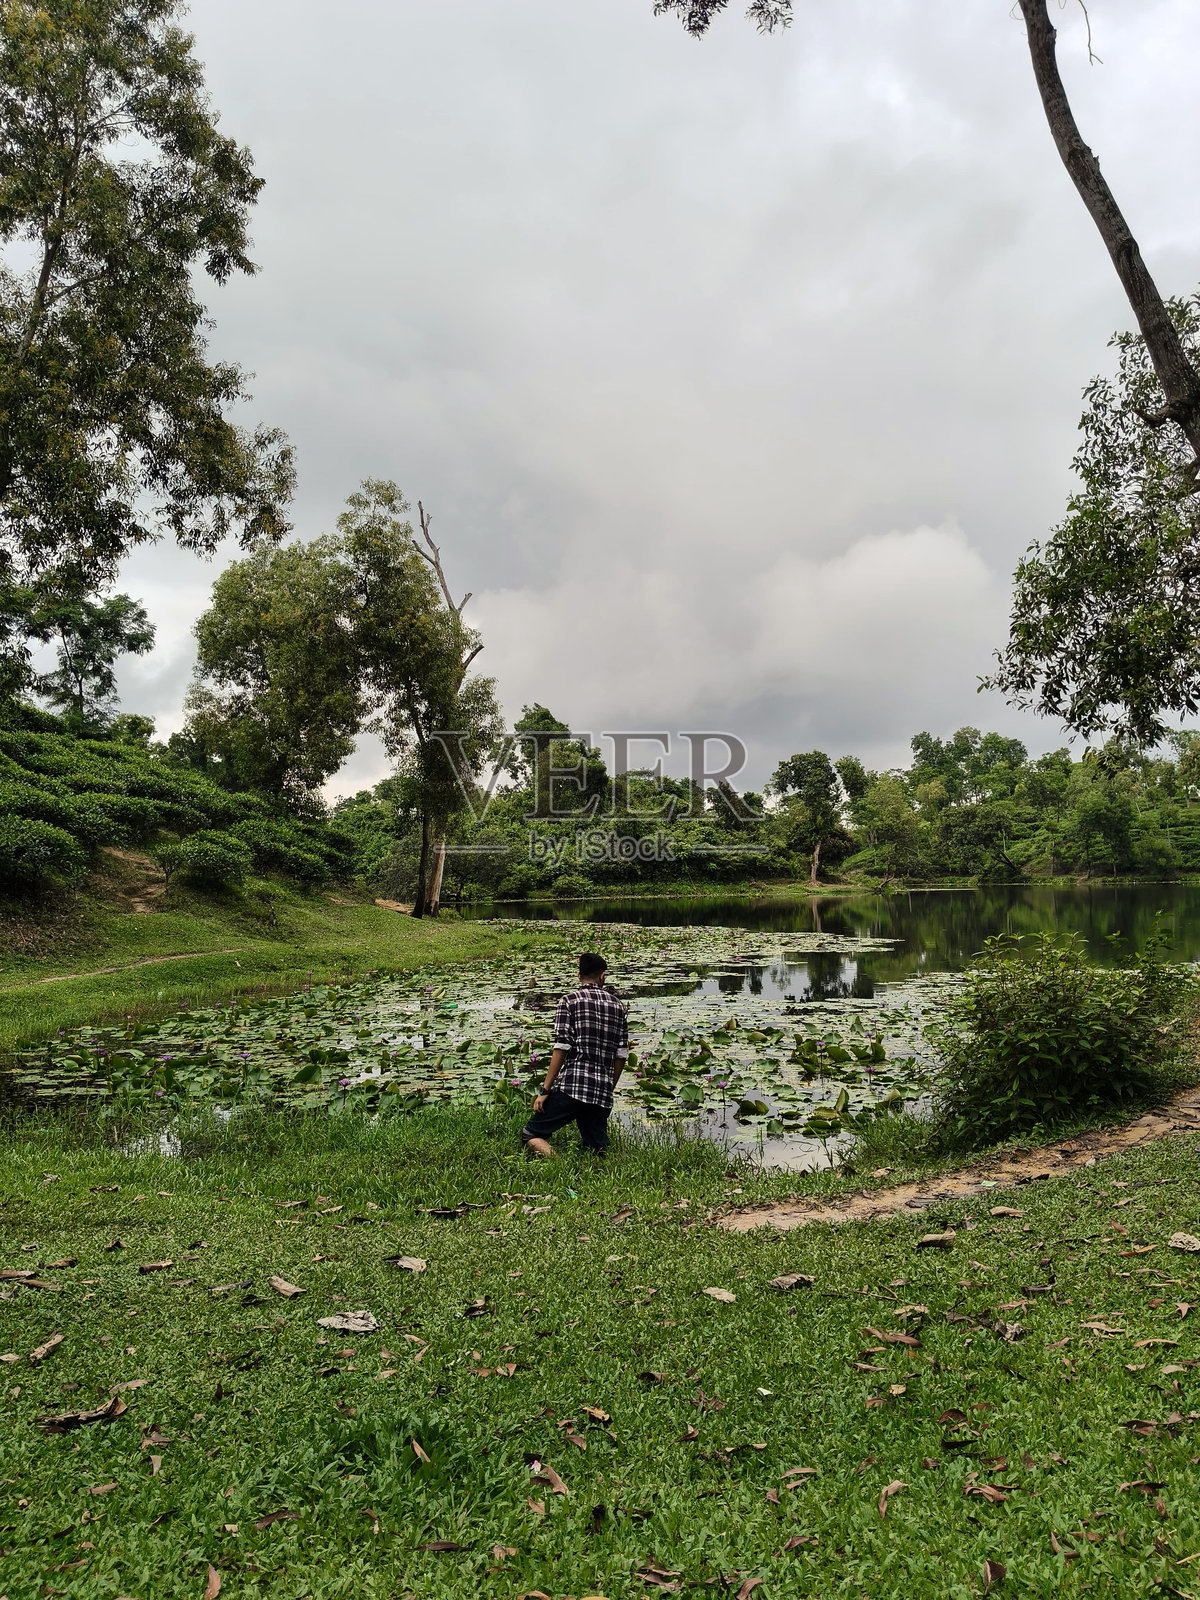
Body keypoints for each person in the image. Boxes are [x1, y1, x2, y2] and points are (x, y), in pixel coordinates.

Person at [522, 952, 629, 1158]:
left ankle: (560, 1162)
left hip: (573, 1087)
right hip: (601, 1092)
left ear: (579, 976)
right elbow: (621, 1055)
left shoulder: (569, 1001)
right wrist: (608, 1088)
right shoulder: (619, 1006)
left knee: (530, 1134)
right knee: (597, 1150)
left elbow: (561, 1047)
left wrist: (545, 1090)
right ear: (602, 976)